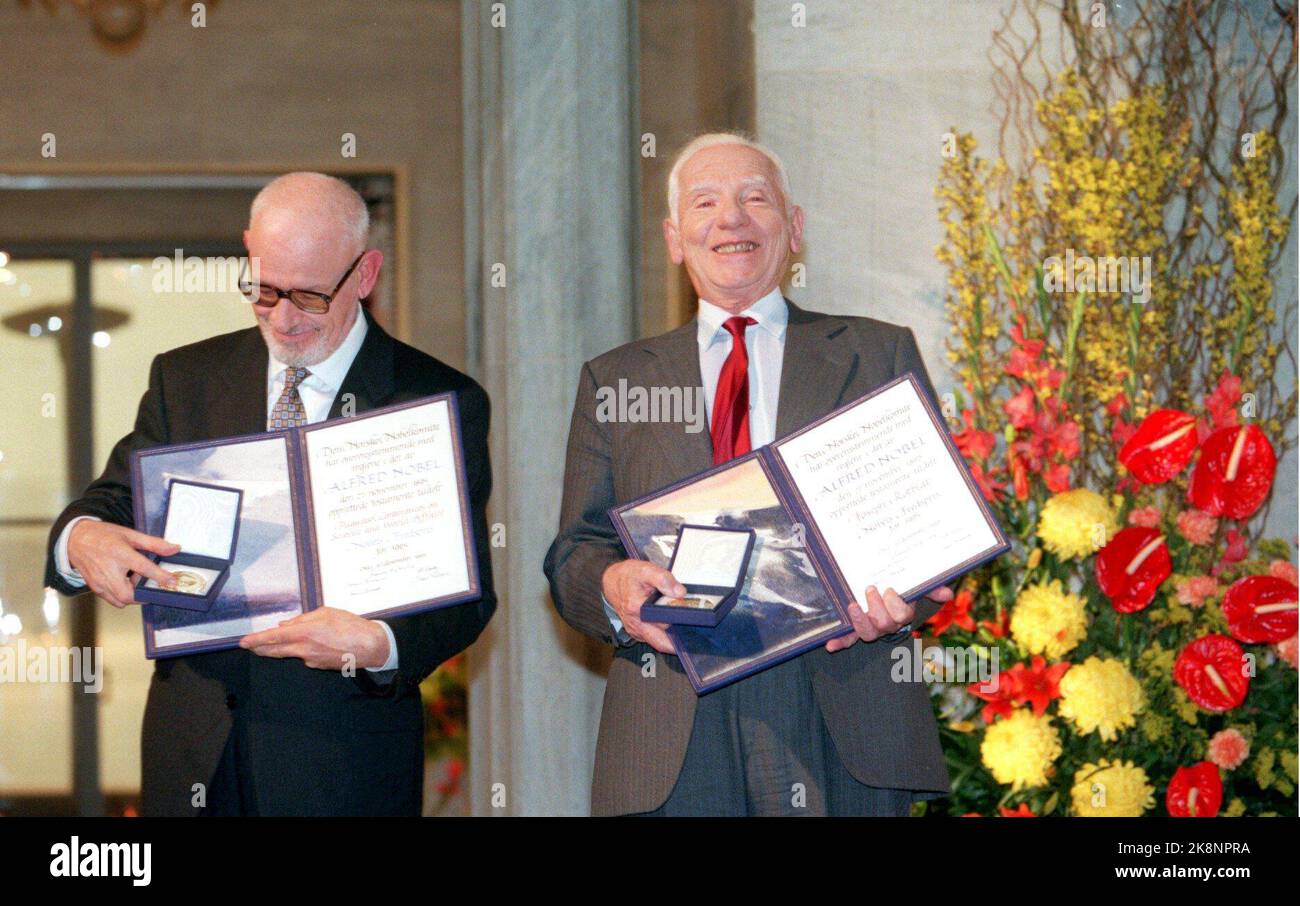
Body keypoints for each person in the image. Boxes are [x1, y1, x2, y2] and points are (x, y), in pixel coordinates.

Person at [44, 172, 495, 816]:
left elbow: (467, 598)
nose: (282, 318)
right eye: (263, 289)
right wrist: (79, 538)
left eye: (310, 296)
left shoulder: (431, 400)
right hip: (194, 753)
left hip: (341, 761)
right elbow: (114, 502)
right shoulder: (188, 377)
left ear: (365, 275)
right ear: (248, 251)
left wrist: (379, 645)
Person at [544, 133, 954, 816]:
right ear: (676, 239)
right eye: (706, 202)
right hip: (674, 714)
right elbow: (572, 555)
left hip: (843, 694)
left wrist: (909, 593)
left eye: (754, 198)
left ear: (793, 229)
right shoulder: (615, 379)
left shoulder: (876, 352)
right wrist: (613, 585)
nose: (730, 218)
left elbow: (934, 520)